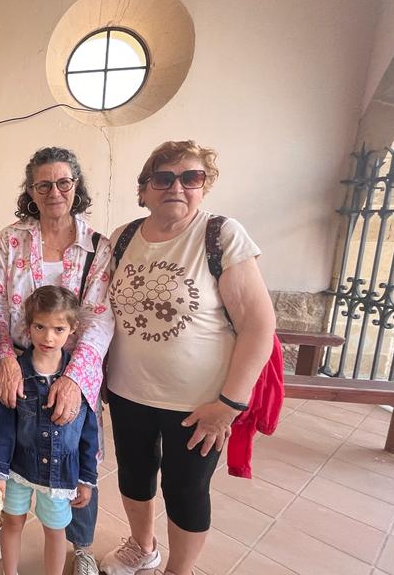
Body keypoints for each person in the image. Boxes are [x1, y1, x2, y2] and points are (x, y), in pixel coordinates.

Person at [99, 141, 275, 575]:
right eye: (163, 178)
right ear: (144, 190)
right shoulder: (123, 238)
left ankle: (178, 570)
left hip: (199, 403)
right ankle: (142, 546)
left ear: (203, 186)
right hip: (128, 390)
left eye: (190, 177)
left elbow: (258, 326)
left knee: (186, 490)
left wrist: (230, 405)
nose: (176, 186)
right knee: (135, 477)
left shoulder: (221, 236)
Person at [0, 147, 113, 575]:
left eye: (63, 183)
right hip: (19, 360)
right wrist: (6, 359)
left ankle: (81, 543)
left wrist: (74, 379)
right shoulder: (11, 239)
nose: (54, 192)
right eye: (43, 184)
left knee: (71, 445)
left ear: (76, 187)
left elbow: (99, 317)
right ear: (31, 191)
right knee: (14, 439)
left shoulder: (97, 247)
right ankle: (9, 520)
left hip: (75, 362)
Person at [0, 286, 98, 575]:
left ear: (73, 329)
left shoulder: (77, 378)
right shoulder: (16, 372)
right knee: (11, 522)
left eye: (58, 329)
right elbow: (4, 429)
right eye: (40, 326)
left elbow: (88, 432)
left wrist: (87, 479)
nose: (48, 337)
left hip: (60, 474)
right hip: (18, 469)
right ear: (28, 326)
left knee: (56, 529)